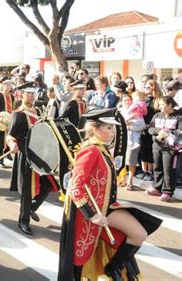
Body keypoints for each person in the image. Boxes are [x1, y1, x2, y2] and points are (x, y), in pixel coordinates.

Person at [58, 108, 162, 281]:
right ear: (96, 129)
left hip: (107, 206)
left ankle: (113, 268)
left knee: (139, 234)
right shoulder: (91, 150)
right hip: (94, 211)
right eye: (108, 128)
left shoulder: (102, 149)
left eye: (113, 128)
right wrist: (91, 215)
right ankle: (112, 269)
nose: (113, 132)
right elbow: (76, 187)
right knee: (78, 260)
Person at [7, 86, 58, 236]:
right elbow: (10, 135)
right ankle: (23, 221)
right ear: (21, 96)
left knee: (49, 184)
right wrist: (12, 144)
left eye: (32, 94)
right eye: (28, 94)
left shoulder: (37, 112)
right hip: (25, 155)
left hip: (39, 155)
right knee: (26, 191)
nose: (31, 96)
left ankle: (31, 208)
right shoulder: (18, 114)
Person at [146, 96, 182, 202]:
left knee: (169, 170)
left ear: (170, 104)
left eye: (163, 104)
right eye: (160, 105)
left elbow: (180, 130)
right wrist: (158, 131)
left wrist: (168, 133)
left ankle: (167, 192)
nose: (160, 107)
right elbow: (150, 129)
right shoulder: (157, 115)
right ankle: (157, 188)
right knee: (157, 167)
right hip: (157, 145)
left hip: (171, 148)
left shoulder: (178, 116)